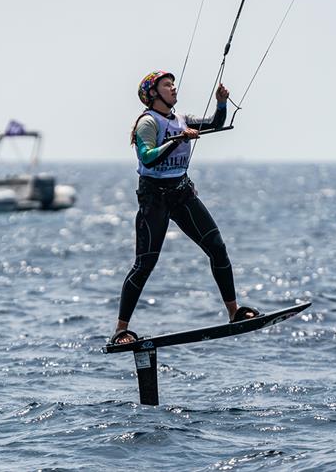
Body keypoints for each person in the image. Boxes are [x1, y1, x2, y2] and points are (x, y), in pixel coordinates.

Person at [110, 70, 258, 345]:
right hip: (154, 199)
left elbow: (215, 123)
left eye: (173, 84)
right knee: (145, 264)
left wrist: (221, 103)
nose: (174, 88)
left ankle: (234, 312)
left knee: (217, 247)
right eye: (167, 85)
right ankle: (121, 330)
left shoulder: (183, 120)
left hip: (182, 195)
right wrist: (177, 140)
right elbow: (148, 157)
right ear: (153, 94)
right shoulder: (147, 122)